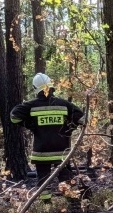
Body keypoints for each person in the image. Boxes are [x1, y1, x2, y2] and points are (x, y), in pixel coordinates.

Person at [10, 73, 84, 203]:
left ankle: (46, 204)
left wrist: (30, 125)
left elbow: (14, 116)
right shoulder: (64, 104)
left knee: (43, 179)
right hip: (62, 152)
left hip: (41, 153)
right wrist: (70, 128)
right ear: (51, 87)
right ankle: (72, 203)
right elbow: (83, 119)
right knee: (66, 177)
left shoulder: (30, 106)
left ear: (35, 88)